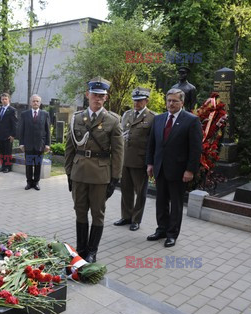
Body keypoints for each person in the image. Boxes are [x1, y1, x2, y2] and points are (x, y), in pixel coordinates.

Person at [64, 76, 123, 263]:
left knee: (97, 213)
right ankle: (80, 249)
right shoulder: (77, 118)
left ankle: (92, 251)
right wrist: (68, 172)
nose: (97, 98)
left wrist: (115, 179)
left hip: (100, 174)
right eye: (94, 95)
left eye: (101, 96)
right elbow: (70, 148)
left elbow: (119, 152)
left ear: (106, 98)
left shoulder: (113, 121)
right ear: (87, 95)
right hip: (79, 172)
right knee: (80, 211)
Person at [146, 88, 202, 247]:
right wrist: (150, 163)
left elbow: (195, 148)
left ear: (182, 102)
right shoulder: (158, 119)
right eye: (169, 100)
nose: (171, 103)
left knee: (176, 204)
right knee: (160, 201)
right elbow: (152, 144)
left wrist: (190, 170)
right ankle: (161, 229)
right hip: (160, 168)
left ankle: (172, 234)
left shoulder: (191, 120)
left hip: (179, 171)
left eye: (175, 101)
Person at [114, 87, 156, 231]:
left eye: (139, 101)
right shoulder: (127, 114)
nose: (136, 103)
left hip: (140, 160)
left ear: (146, 101)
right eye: (135, 100)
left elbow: (153, 142)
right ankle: (126, 216)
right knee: (125, 189)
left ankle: (136, 219)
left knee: (140, 192)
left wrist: (150, 162)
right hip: (125, 158)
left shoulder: (152, 117)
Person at [18, 94, 51, 190]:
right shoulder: (25, 114)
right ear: (30, 103)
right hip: (28, 145)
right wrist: (21, 143)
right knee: (28, 165)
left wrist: (48, 144)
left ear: (40, 103)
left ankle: (36, 182)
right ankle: (29, 182)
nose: (35, 103)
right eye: (33, 101)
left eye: (37, 101)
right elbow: (21, 129)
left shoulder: (45, 114)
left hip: (39, 145)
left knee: (37, 165)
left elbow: (47, 130)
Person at [0, 93, 18, 173]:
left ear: (9, 100)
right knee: (2, 151)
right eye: (2, 99)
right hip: (0, 134)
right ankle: (3, 166)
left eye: (6, 99)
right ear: (1, 100)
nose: (4, 100)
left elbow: (15, 123)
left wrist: (13, 135)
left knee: (7, 152)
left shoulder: (12, 110)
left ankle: (7, 167)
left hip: (8, 135)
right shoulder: (0, 109)